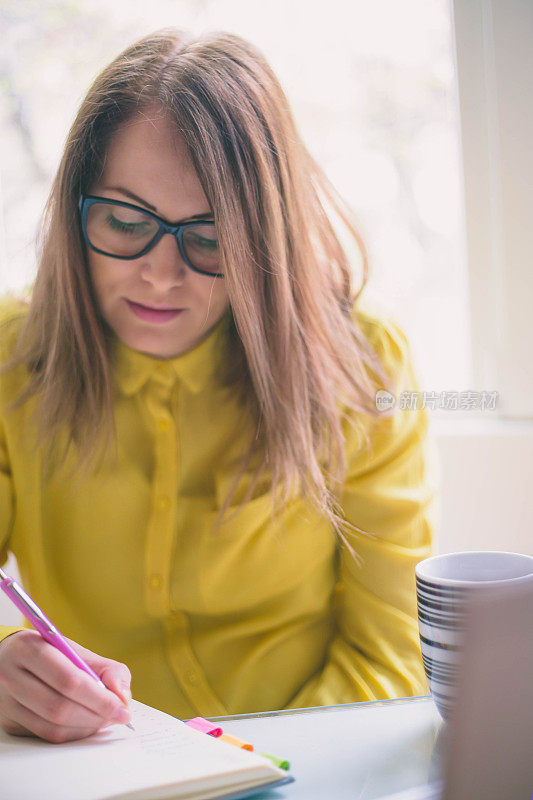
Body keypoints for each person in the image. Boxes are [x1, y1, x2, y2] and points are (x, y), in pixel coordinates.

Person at [0, 28, 436, 744]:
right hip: (90, 771)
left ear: (267, 237)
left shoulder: (368, 367)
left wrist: (247, 765)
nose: (161, 275)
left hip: (308, 768)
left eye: (209, 237)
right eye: (124, 220)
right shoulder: (10, 352)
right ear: (73, 211)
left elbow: (388, 657)